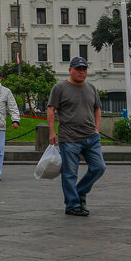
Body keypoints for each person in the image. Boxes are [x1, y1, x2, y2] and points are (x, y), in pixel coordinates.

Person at [46, 57, 104, 217]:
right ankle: (72, 204)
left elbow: (97, 109)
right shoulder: (60, 87)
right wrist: (52, 132)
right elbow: (51, 109)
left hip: (91, 137)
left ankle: (79, 192)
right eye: (78, 69)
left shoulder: (91, 88)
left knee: (99, 167)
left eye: (84, 69)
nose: (81, 72)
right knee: (70, 173)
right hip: (69, 138)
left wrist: (97, 129)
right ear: (70, 70)